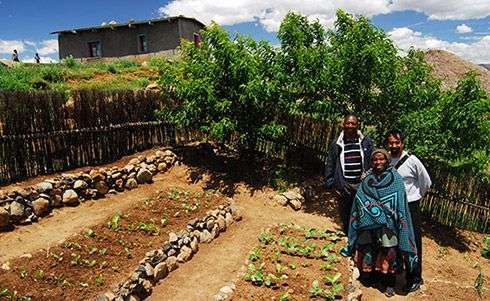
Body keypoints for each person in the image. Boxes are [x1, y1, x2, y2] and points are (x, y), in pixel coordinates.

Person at [341, 149, 418, 297]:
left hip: (389, 222)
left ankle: (389, 282)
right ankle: (369, 277)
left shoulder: (395, 178)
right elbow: (360, 197)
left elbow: (399, 200)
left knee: (389, 250)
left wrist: (385, 213)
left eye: (381, 159)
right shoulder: (368, 177)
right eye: (375, 160)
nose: (378, 162)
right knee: (368, 247)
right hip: (368, 220)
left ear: (387, 161)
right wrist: (371, 209)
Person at [386, 130, 431, 293]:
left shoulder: (413, 161)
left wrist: (414, 197)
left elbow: (426, 182)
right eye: (391, 142)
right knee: (394, 240)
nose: (394, 145)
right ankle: (397, 271)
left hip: (410, 207)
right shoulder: (387, 160)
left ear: (402, 143)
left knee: (412, 242)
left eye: (397, 142)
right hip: (392, 206)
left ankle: (415, 277)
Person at [324, 113, 373, 234]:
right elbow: (330, 163)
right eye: (348, 123)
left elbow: (372, 162)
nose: (350, 125)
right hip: (344, 185)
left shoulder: (365, 142)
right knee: (345, 214)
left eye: (353, 123)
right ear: (343, 124)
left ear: (357, 125)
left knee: (362, 213)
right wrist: (331, 184)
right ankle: (348, 240)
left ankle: (359, 243)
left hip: (361, 185)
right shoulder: (337, 144)